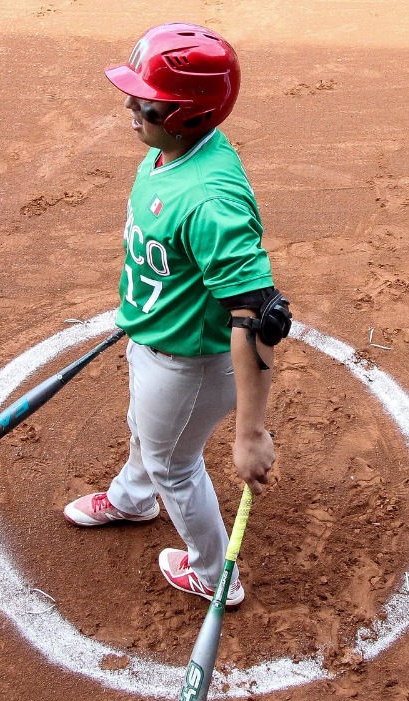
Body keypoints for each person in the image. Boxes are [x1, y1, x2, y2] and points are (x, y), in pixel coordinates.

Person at [62, 22, 293, 608]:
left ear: (189, 114)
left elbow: (257, 315)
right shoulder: (172, 152)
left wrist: (251, 431)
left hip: (190, 361)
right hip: (157, 337)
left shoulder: (211, 200)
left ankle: (215, 573)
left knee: (175, 463)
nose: (130, 105)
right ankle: (133, 498)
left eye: (146, 100)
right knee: (147, 431)